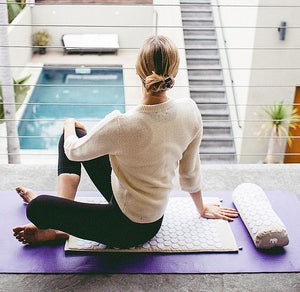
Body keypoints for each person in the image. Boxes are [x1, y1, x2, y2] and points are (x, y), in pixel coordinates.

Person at [13, 35, 238, 248]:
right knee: (76, 138)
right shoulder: (190, 111)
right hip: (150, 218)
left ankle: (57, 224)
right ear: (175, 71)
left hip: (127, 228)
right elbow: (190, 170)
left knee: (38, 206)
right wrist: (201, 208)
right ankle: (59, 224)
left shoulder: (122, 124)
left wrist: (68, 124)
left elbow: (72, 152)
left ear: (138, 70)